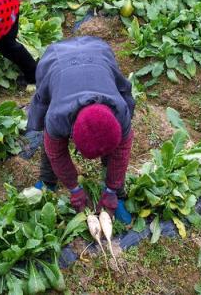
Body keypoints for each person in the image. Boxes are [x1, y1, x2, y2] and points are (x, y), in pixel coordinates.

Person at [26, 37, 135, 223]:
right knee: (49, 140)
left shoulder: (121, 112)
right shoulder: (56, 117)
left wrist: (112, 189)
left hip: (98, 53)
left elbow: (121, 152)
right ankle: (47, 180)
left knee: (114, 155)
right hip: (57, 60)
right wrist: (74, 188)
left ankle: (118, 193)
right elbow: (57, 154)